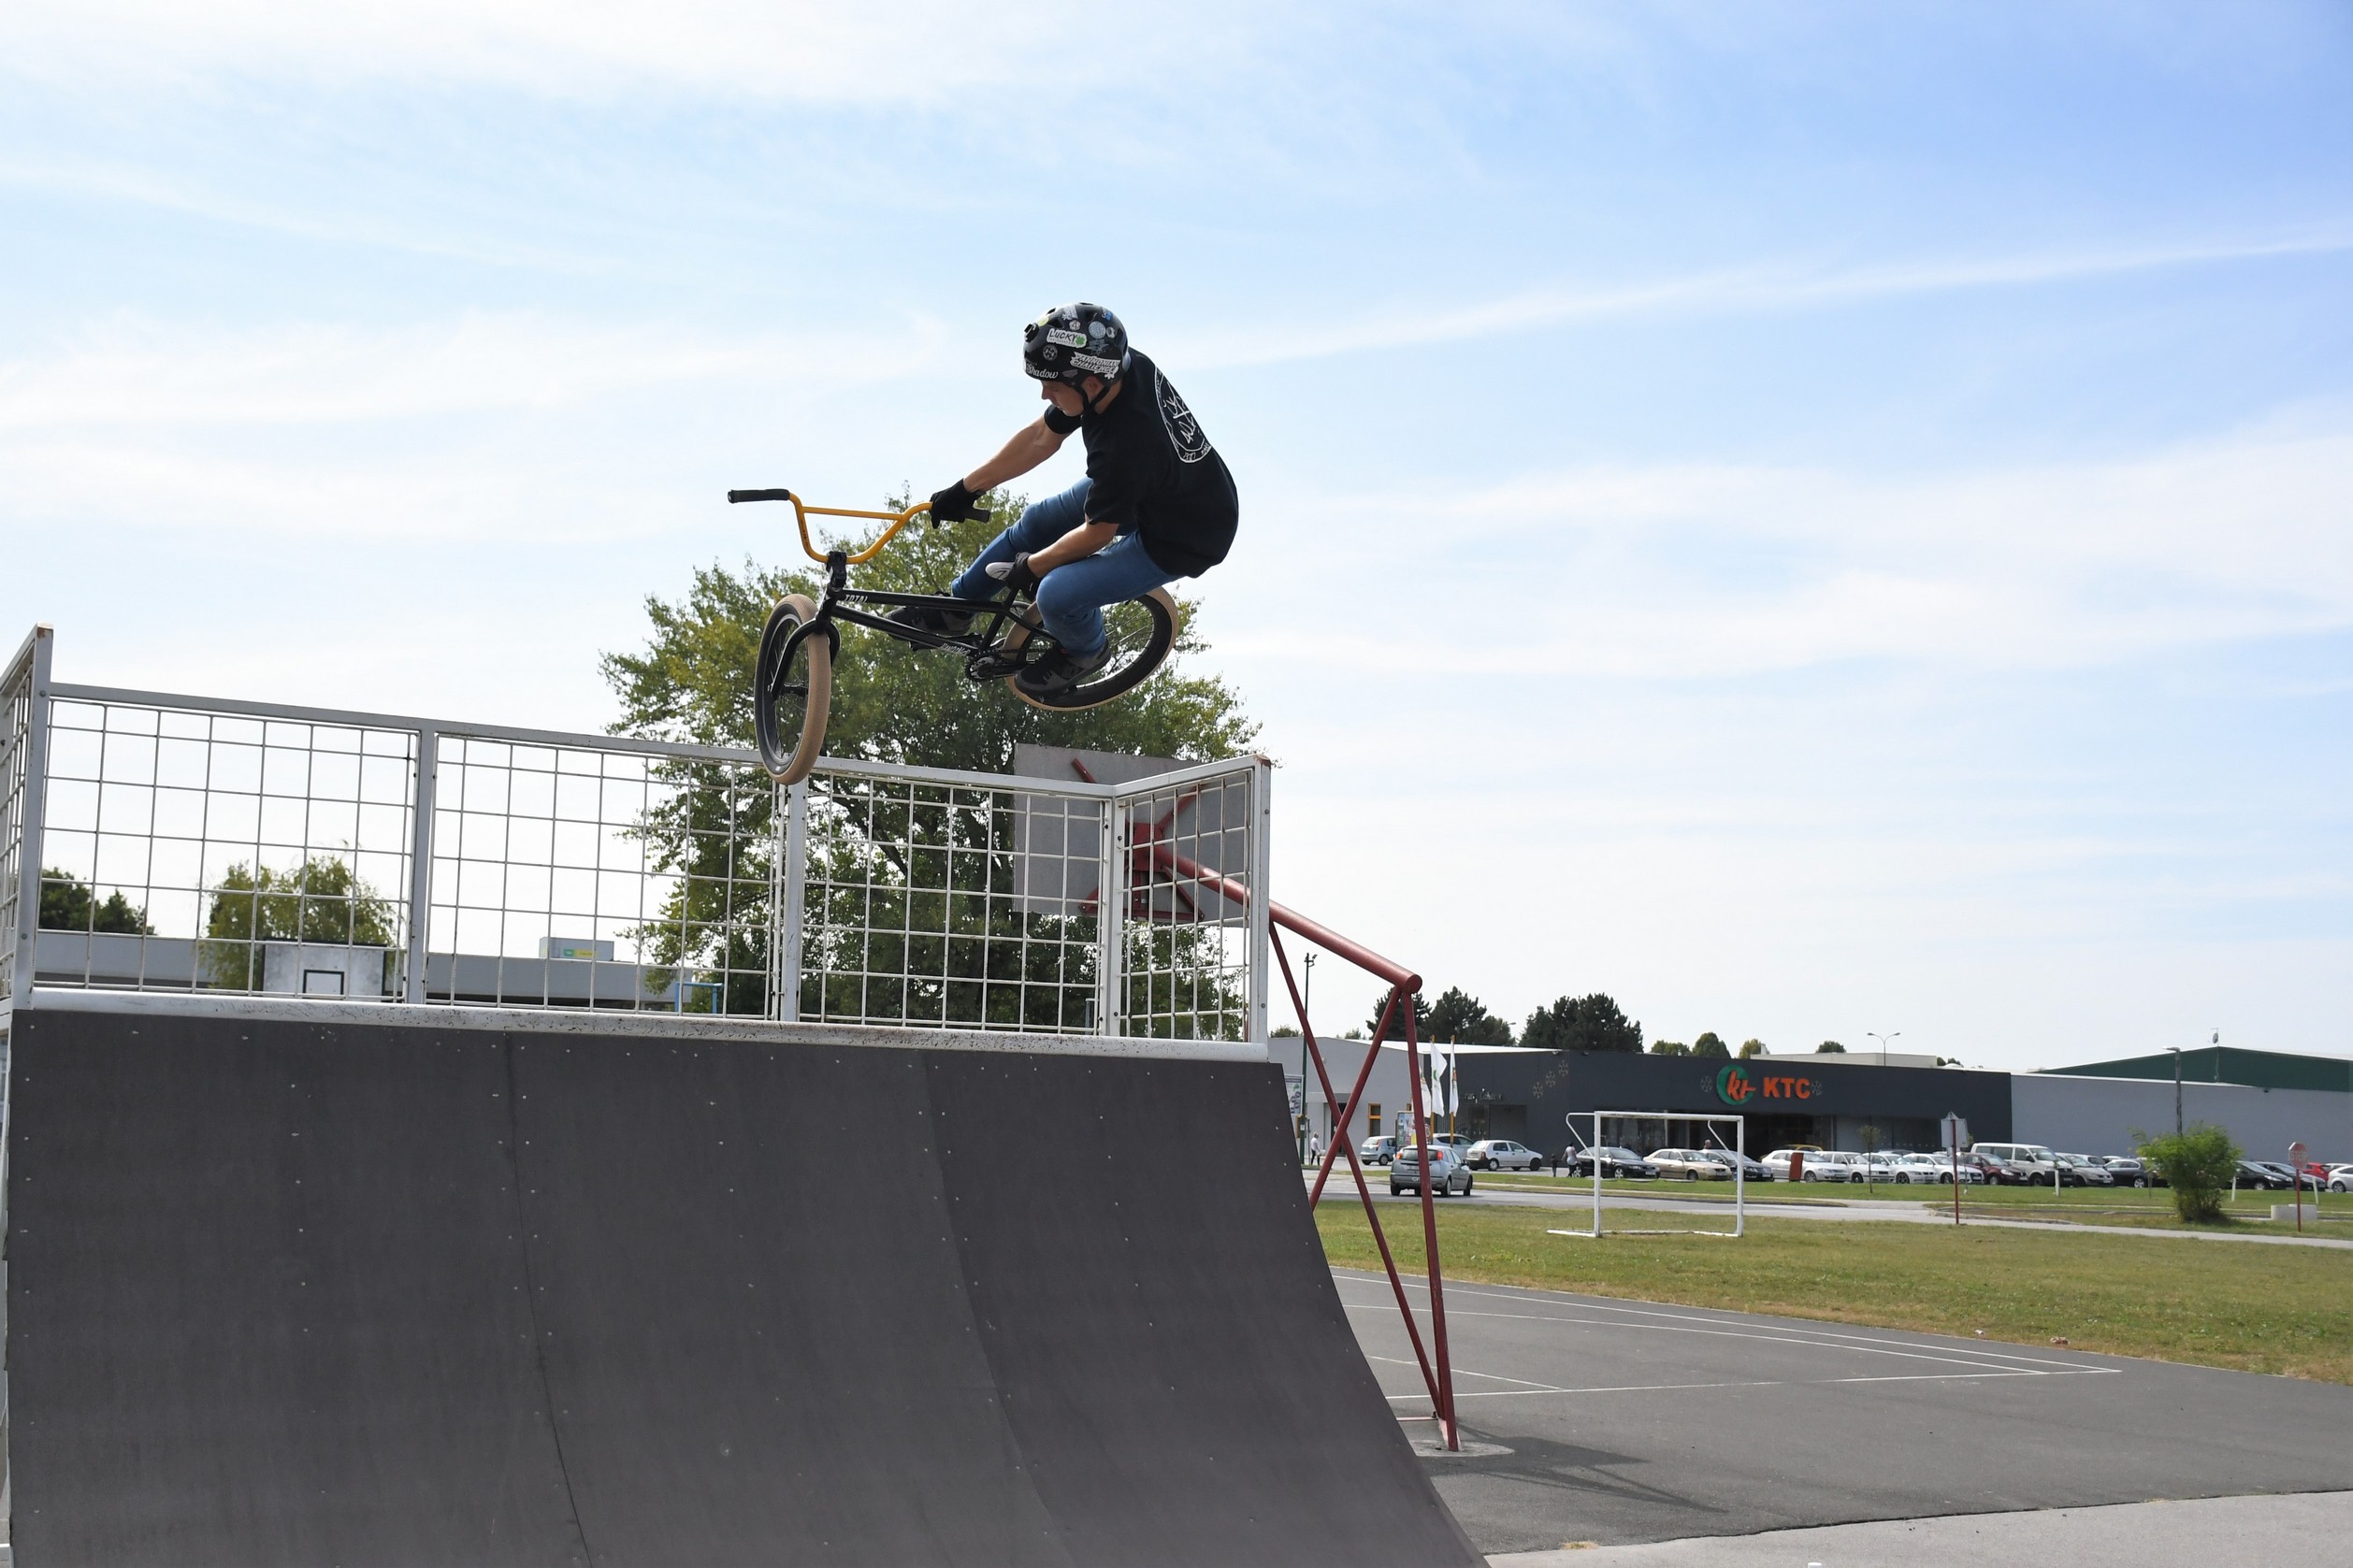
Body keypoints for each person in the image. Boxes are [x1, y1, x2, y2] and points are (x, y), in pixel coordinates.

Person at [891, 303, 1238, 698]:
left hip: (1186, 534)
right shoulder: (1111, 371)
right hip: (1156, 489)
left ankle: (1087, 650)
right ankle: (957, 608)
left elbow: (1097, 534)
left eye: (1052, 387)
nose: (1044, 395)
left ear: (1090, 385)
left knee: (1055, 593)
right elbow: (1041, 437)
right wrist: (967, 488)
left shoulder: (1128, 443)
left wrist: (1034, 566)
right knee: (1037, 522)